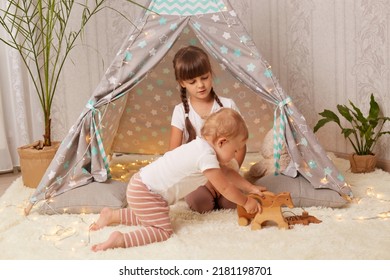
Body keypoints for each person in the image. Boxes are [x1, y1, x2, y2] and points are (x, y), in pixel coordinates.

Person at [90, 108, 267, 251]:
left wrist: (250, 187)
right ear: (221, 142)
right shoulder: (205, 156)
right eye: (235, 150)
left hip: (141, 186)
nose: (235, 155)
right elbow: (226, 188)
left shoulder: (201, 147)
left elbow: (228, 173)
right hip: (146, 192)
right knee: (162, 230)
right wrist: (246, 201)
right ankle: (122, 240)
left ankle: (112, 215)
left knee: (153, 215)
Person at [169, 45, 247, 213]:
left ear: (211, 73)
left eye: (204, 77)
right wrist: (207, 182)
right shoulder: (180, 111)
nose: (200, 85)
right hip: (196, 177)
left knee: (232, 203)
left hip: (225, 172)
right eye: (192, 82)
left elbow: (240, 147)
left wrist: (224, 178)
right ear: (182, 83)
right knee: (201, 203)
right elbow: (173, 154)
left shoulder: (228, 105)